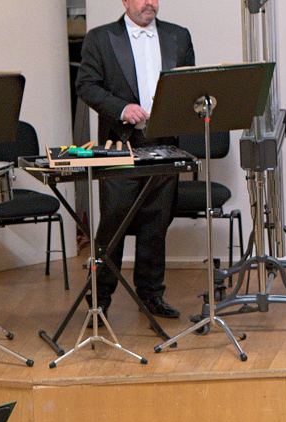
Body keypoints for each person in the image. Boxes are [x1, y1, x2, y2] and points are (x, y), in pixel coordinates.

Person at [74, 0, 196, 318]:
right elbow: (86, 85)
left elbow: (188, 86)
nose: (150, 3)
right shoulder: (100, 38)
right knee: (113, 223)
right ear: (125, 1)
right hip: (121, 144)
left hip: (164, 143)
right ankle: (100, 298)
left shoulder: (178, 36)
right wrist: (121, 108)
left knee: (156, 223)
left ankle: (151, 295)